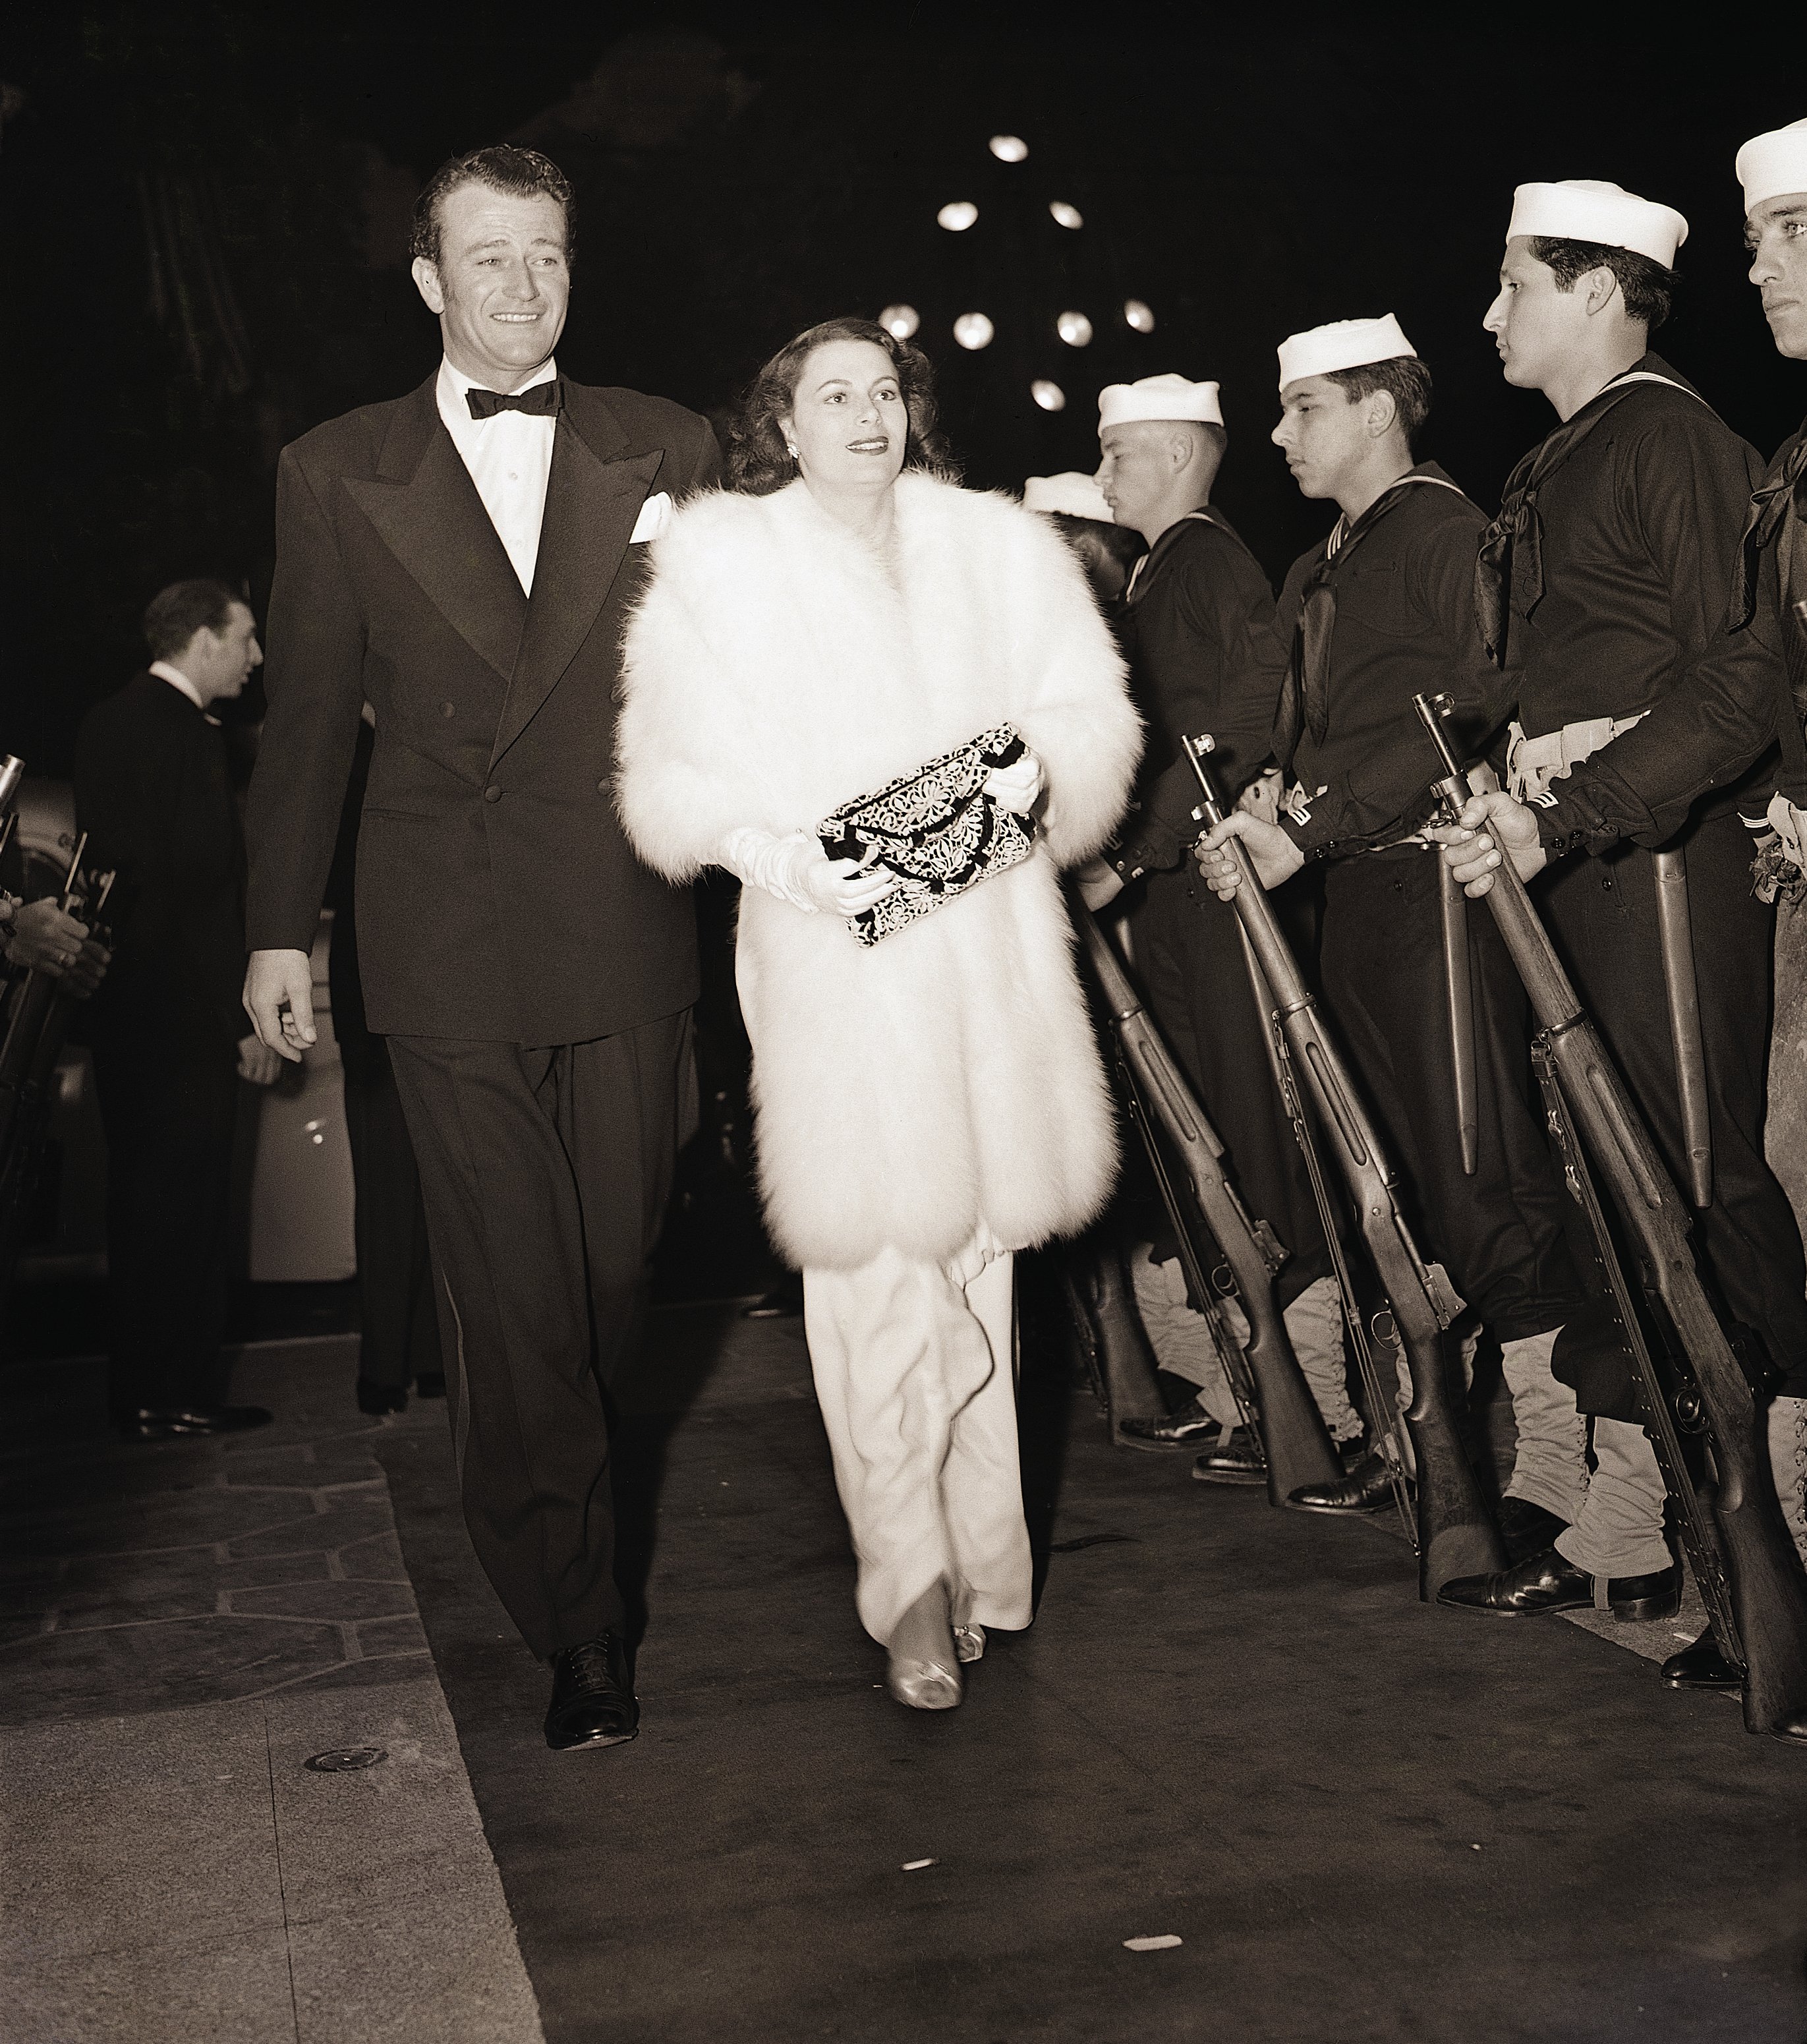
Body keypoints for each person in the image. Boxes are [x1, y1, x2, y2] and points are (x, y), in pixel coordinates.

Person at [240, 145, 720, 1754]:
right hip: (439, 924)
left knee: (607, 1271)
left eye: (548, 258)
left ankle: (555, 1510)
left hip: (626, 917)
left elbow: (737, 674)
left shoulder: (665, 441)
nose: (522, 286)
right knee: (514, 1293)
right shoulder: (336, 469)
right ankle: (576, 1622)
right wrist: (273, 934)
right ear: (430, 281)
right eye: (489, 259)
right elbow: (306, 722)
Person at [615, 317, 1139, 1710]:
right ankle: (904, 1584)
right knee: (876, 1282)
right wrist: (790, 860)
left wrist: (1026, 777)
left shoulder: (1000, 549)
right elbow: (666, 778)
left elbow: (1095, 727)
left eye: (883, 389)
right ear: (781, 423)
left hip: (993, 949)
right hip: (830, 960)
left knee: (979, 1273)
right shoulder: (720, 565)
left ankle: (983, 1563)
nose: (864, 412)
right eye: (830, 393)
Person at [1439, 178, 1806, 1629]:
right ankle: (1668, 1517)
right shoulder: (1564, 458)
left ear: (1599, 290)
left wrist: (1578, 794)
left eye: (1515, 281)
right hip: (1584, 848)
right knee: (1623, 1179)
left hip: (1654, 855)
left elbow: (1738, 671)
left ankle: (1768, 1517)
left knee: (1701, 1179)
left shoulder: (1669, 438)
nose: (1490, 313)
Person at [1193, 316, 1597, 1560]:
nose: (1278, 435)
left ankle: (1565, 1462)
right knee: (1399, 1169)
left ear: (1378, 410)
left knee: (1481, 1165)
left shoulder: (1442, 531)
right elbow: (1306, 724)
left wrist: (1312, 822)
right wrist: (1270, 796)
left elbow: (1469, 701)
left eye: (1303, 408)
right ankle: (1456, 1433)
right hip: (1351, 896)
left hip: (1427, 884)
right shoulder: (1324, 559)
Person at [1077, 373, 1363, 1480]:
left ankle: (1325, 1406)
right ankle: (1268, 1391)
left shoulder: (1203, 559)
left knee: (1255, 1134)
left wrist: (1136, 849)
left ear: (1184, 456)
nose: (1106, 476)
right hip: (1183, 887)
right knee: (1217, 1135)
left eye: (1121, 454)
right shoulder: (1168, 565)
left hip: (1210, 884)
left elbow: (1241, 712)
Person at [74, 578, 278, 1441]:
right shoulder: (186, 738)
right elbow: (198, 894)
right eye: (246, 638)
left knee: (142, 1207)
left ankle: (144, 1385)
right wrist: (242, 1022)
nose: (256, 657)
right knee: (186, 1213)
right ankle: (177, 1391)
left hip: (130, 1010)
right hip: (188, 1017)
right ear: (202, 641)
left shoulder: (106, 721)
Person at [322, 711, 444, 1416]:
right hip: (377, 983)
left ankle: (425, 1359)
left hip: (426, 979)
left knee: (436, 1181)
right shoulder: (349, 747)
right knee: (393, 1181)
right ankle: (390, 1362)